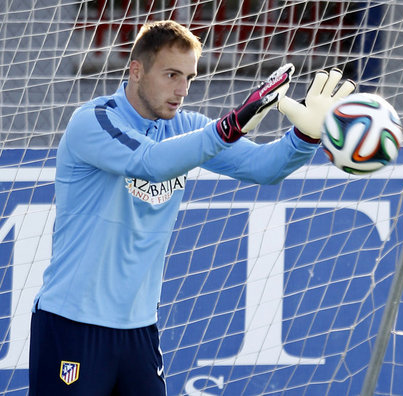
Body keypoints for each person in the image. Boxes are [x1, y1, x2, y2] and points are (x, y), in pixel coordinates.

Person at [28, 20, 355, 395]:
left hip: (139, 330)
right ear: (136, 71)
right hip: (72, 325)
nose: (182, 90)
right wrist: (228, 127)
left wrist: (305, 136)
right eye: (171, 75)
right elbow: (151, 162)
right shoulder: (94, 121)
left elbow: (265, 168)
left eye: (189, 77)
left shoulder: (185, 127)